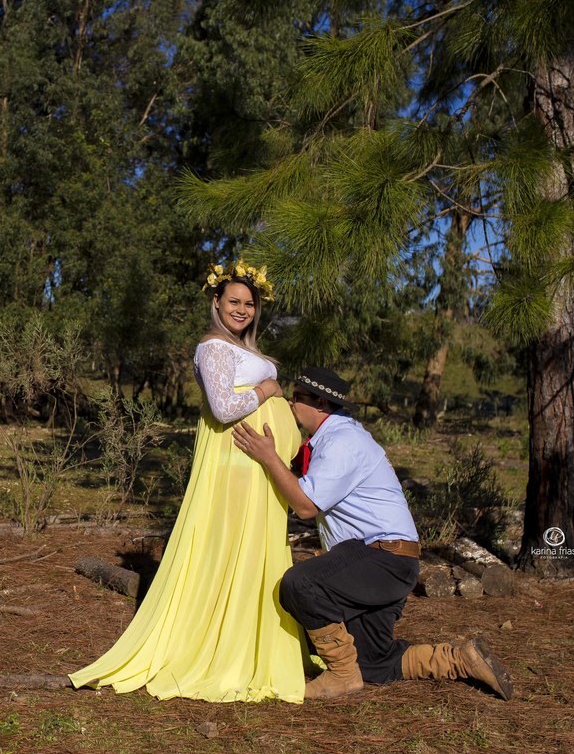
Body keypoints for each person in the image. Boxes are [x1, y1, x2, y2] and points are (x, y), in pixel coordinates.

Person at [70, 261, 309, 703]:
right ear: (216, 302)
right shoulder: (213, 347)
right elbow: (222, 408)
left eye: (249, 304)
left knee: (255, 549)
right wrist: (269, 392)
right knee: (234, 547)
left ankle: (252, 642)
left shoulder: (238, 347)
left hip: (256, 466)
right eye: (233, 301)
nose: (242, 309)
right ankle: (222, 647)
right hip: (240, 465)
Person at [231, 366, 514, 700]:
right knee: (373, 664)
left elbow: (306, 506)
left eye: (297, 398)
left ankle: (340, 676)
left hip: (380, 558)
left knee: (300, 584)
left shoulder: (341, 442)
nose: (291, 404)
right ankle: (458, 660)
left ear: (320, 403)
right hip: (390, 562)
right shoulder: (334, 438)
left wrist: (268, 457)